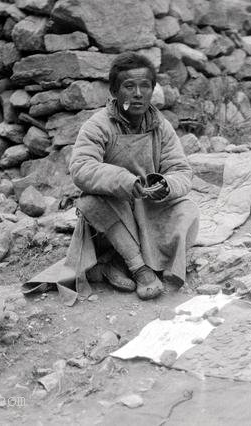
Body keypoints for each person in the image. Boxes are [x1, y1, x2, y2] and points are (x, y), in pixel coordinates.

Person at [66, 52, 200, 300]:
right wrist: (126, 182)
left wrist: (165, 185)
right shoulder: (98, 126)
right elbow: (81, 168)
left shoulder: (161, 127)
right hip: (114, 212)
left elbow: (181, 172)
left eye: (145, 86)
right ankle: (140, 269)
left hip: (148, 207)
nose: (138, 94)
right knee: (90, 202)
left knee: (188, 209)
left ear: (152, 90)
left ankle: (113, 265)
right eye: (129, 86)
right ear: (115, 91)